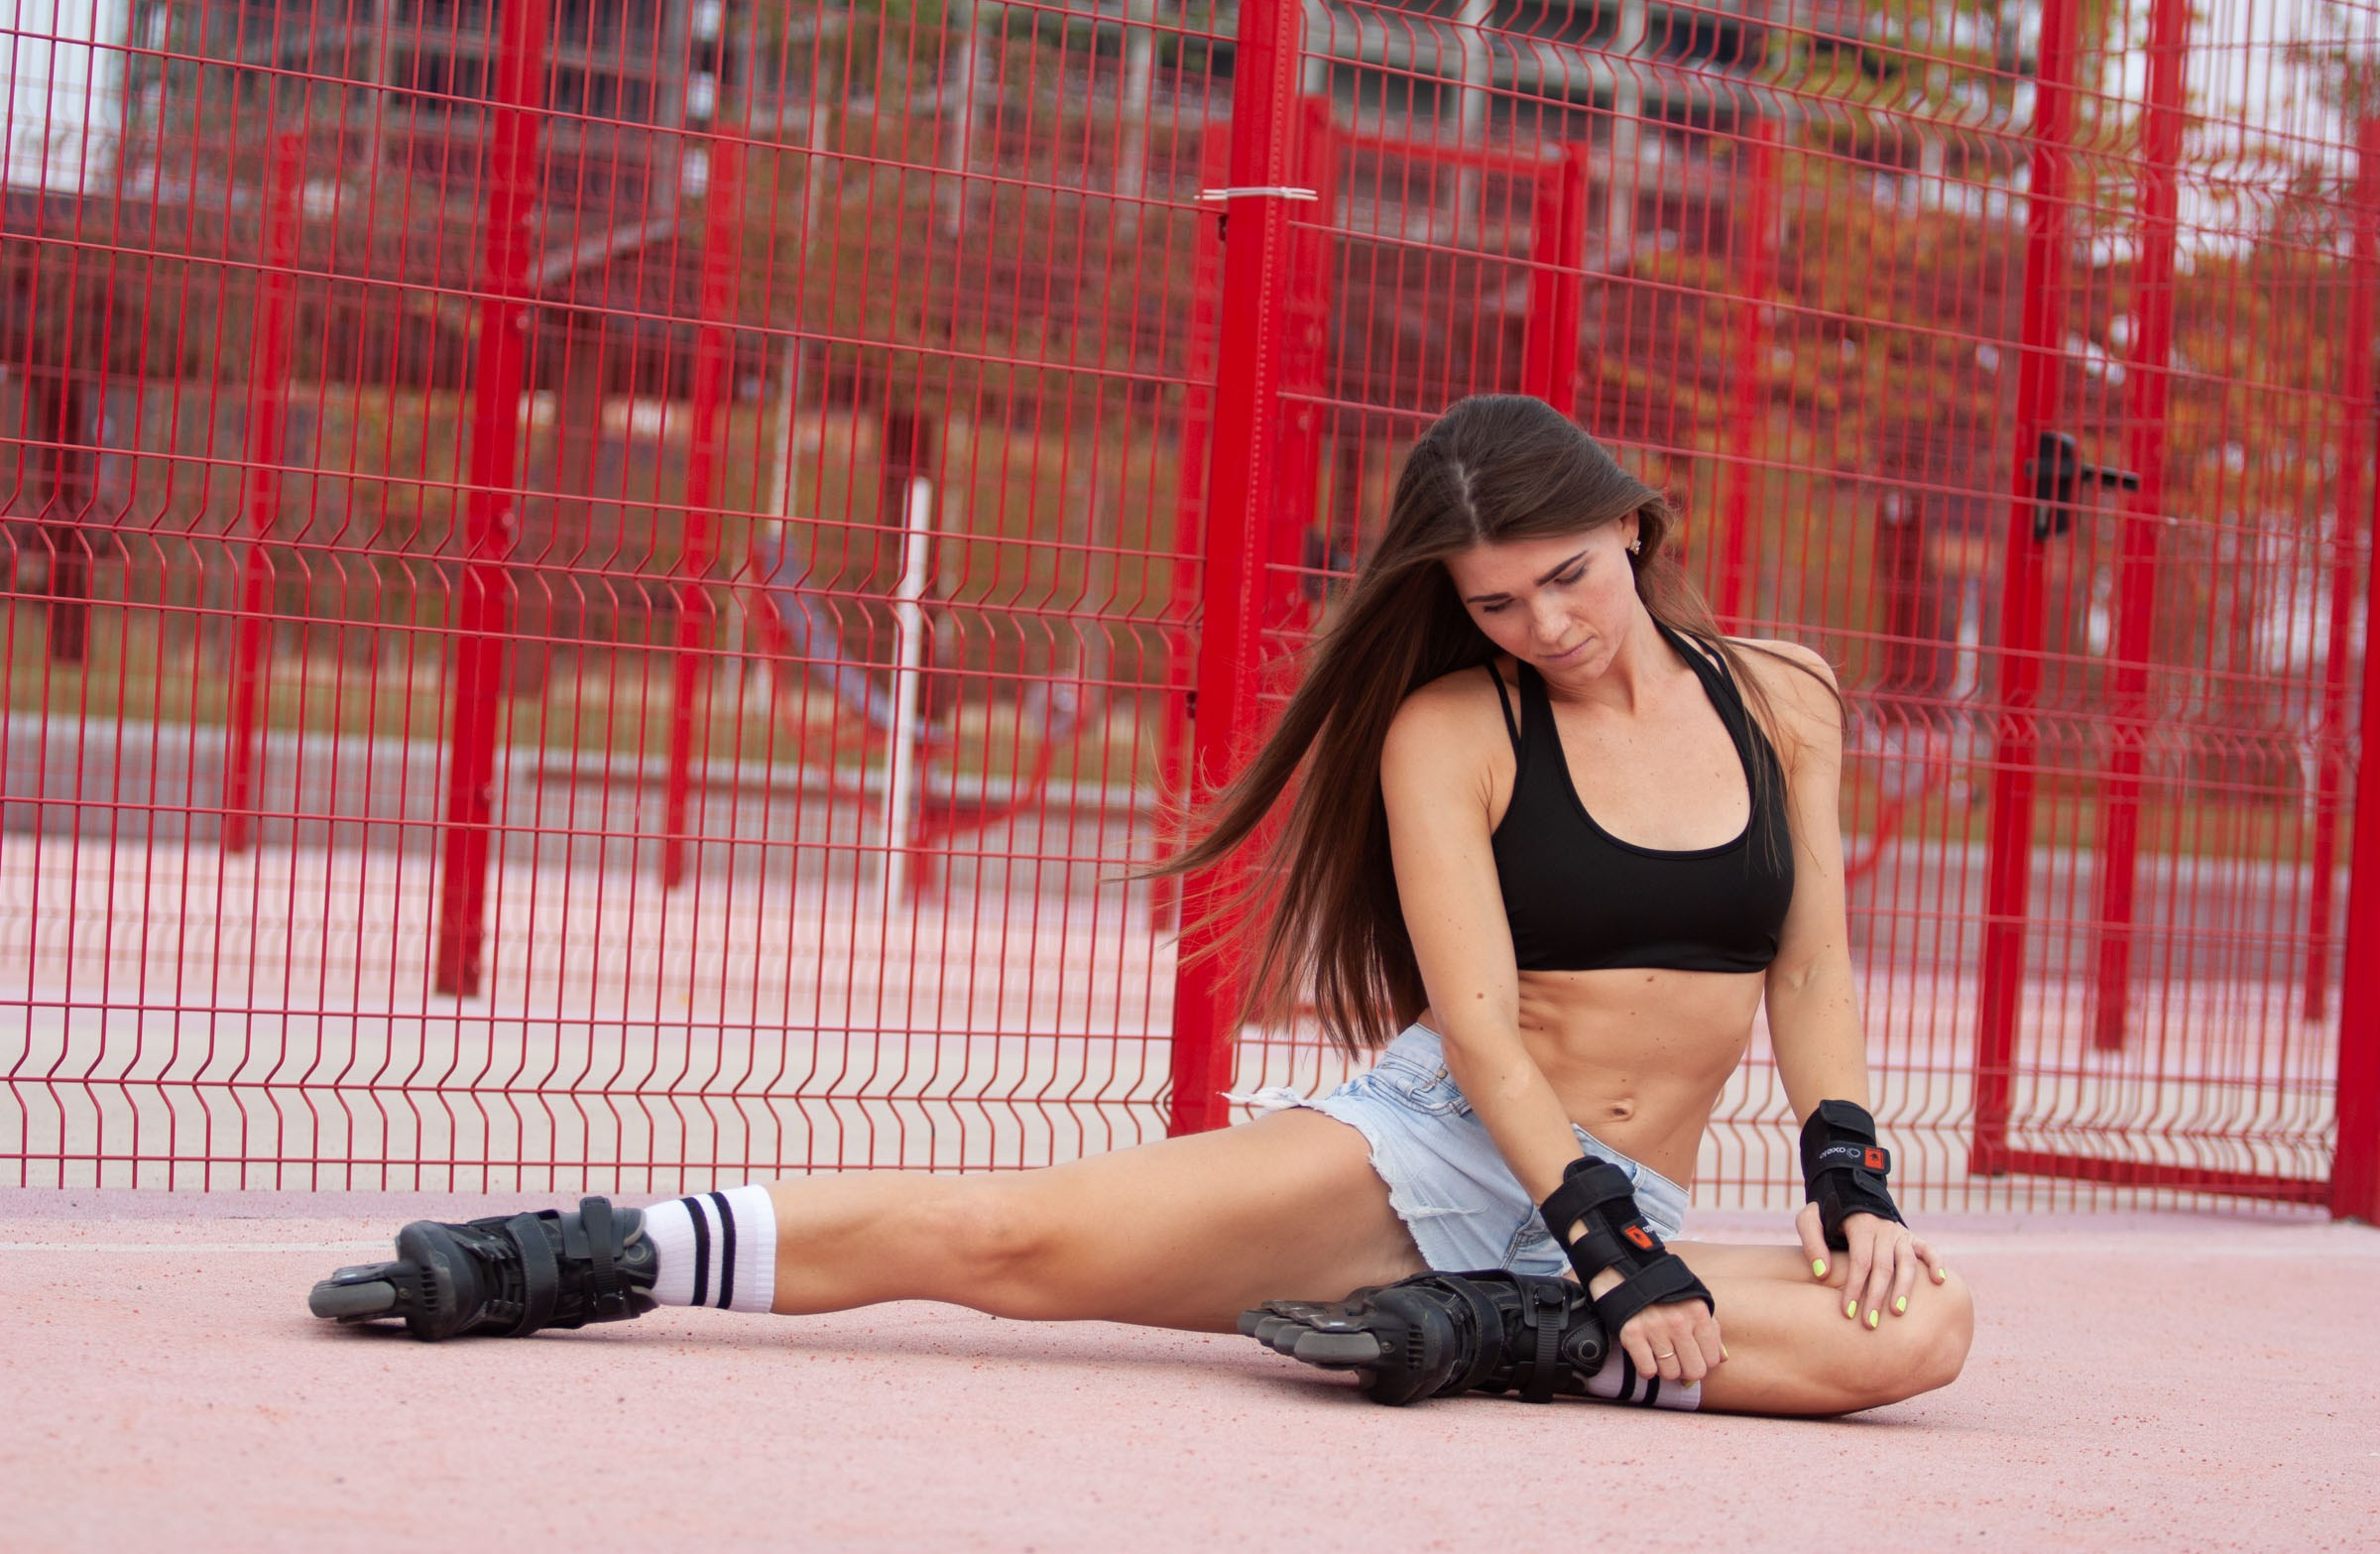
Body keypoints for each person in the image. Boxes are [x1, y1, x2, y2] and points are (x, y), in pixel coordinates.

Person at [310, 395, 1972, 1416]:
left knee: (1919, 1334)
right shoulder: (1451, 730)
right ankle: (573, 1256)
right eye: (1496, 600)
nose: (1546, 620)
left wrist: (1851, 1176)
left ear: (1632, 520)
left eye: (1569, 574)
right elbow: (1477, 1022)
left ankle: (1492, 1335)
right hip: (1446, 1157)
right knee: (1006, 1239)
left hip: (1609, 1216)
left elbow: (1809, 965)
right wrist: (1611, 1246)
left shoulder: (1783, 696)